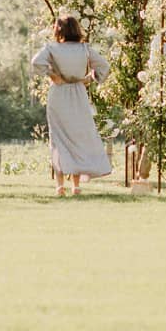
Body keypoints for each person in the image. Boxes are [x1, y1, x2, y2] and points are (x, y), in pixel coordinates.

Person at [31, 14, 111, 196]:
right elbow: (104, 67)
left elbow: (36, 62)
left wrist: (52, 75)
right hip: (78, 93)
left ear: (58, 30)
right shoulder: (84, 49)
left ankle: (60, 185)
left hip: (58, 93)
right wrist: (90, 78)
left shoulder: (52, 48)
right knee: (77, 136)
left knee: (58, 138)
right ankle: (76, 185)